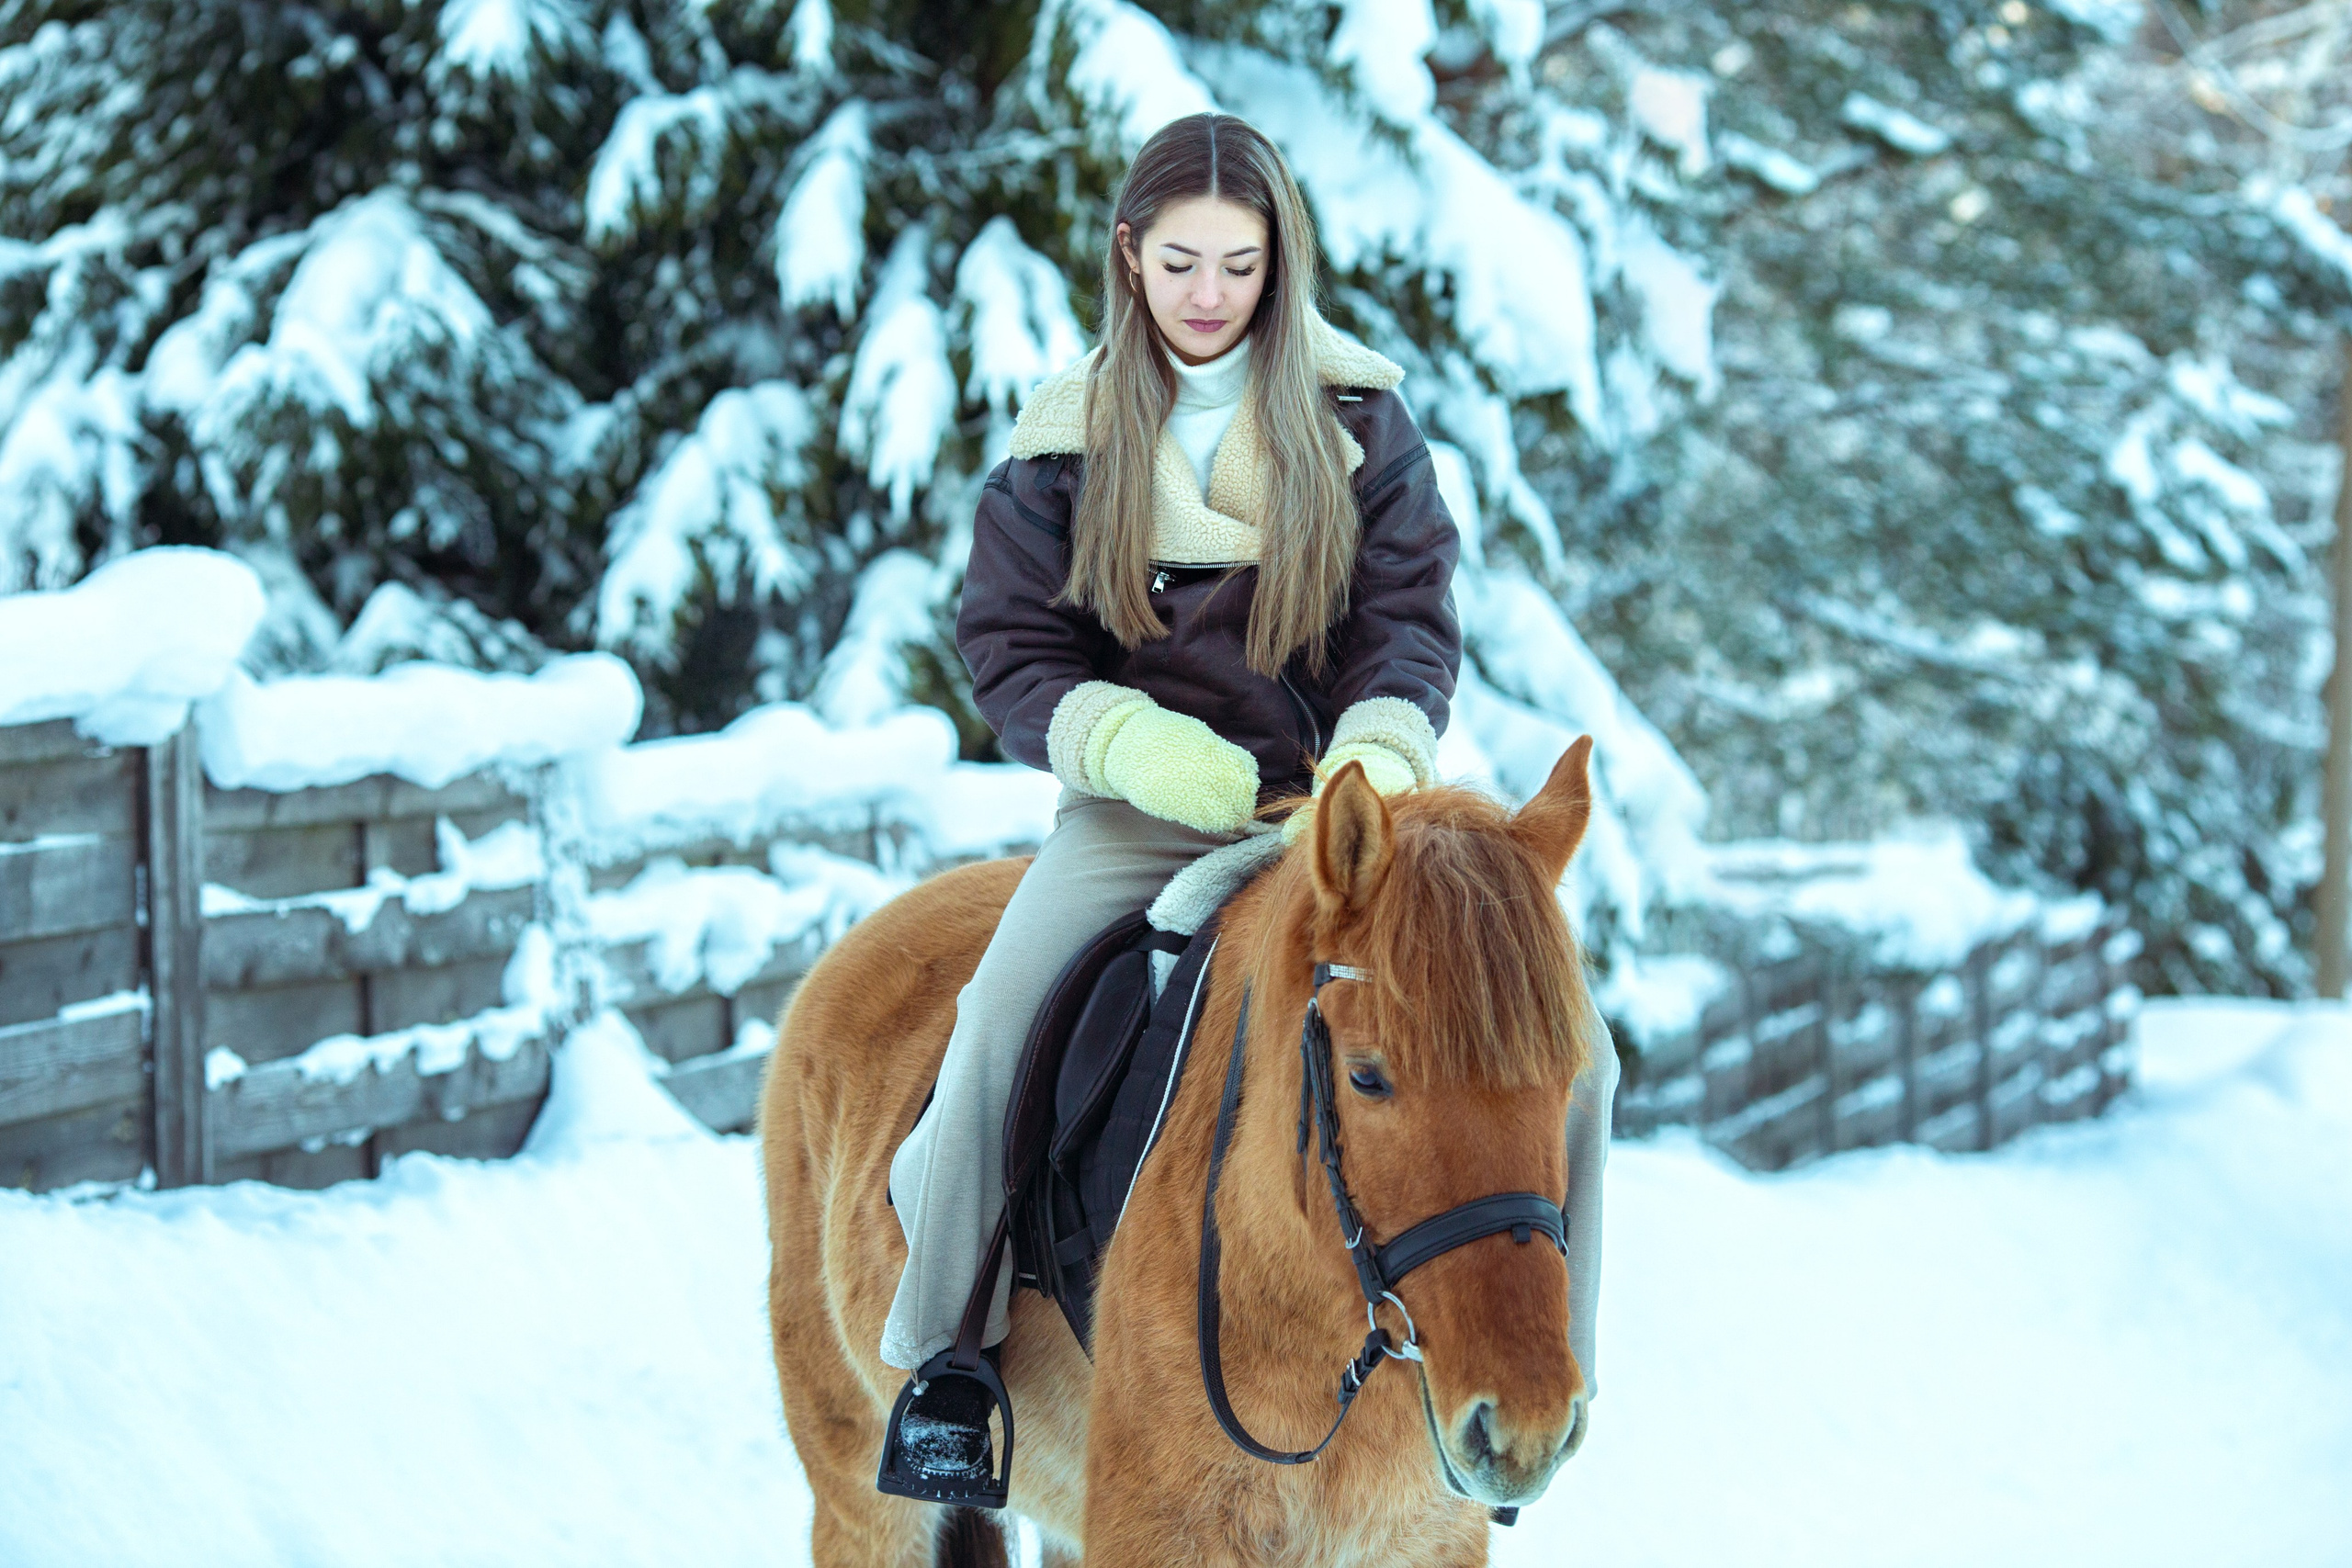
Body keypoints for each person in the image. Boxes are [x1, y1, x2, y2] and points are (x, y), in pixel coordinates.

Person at [879, 110, 1619, 1488]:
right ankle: (949, 1363)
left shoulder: (1362, 422)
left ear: (1282, 262)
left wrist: (1377, 753)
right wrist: (1121, 741)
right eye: (1180, 265)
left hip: (1338, 819)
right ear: (1130, 258)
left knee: (1585, 1051)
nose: (1209, 294)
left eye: (1238, 263)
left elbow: (1407, 615)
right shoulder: (1062, 444)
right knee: (995, 1026)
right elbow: (1011, 646)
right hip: (1138, 812)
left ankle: (1547, 1361)